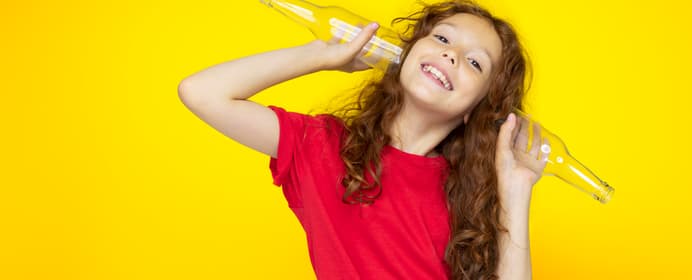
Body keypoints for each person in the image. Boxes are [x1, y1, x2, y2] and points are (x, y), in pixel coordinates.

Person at [178, 0, 547, 279]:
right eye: (442, 38)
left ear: (477, 108)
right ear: (406, 53)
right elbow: (202, 92)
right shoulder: (325, 147)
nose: (452, 54)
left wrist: (516, 191)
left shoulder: (468, 197)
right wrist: (319, 56)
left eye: (475, 63)